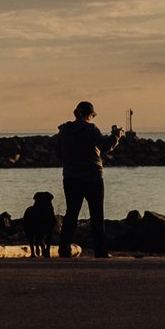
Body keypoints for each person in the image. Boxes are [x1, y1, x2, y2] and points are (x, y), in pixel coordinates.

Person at [54, 101, 126, 258]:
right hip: (92, 177)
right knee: (97, 214)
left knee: (71, 213)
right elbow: (105, 146)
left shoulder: (64, 130)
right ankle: (100, 251)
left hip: (71, 177)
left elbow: (59, 153)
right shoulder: (91, 129)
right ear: (90, 115)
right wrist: (116, 135)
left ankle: (63, 248)